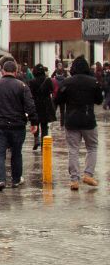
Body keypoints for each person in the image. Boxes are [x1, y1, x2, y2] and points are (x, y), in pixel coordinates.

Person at [0, 59, 38, 191]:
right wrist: (34, 122)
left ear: (2, 71)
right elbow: (30, 106)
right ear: (16, 72)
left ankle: (0, 179)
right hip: (18, 124)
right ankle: (16, 179)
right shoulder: (22, 86)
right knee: (17, 153)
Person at [53, 56, 103, 190]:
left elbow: (57, 99)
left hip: (71, 120)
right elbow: (99, 100)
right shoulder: (93, 82)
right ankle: (88, 174)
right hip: (88, 120)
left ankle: (74, 180)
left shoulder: (67, 82)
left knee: (73, 150)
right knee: (92, 147)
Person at [28, 64, 56, 151]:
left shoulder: (32, 82)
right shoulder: (48, 80)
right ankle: (44, 143)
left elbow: (30, 94)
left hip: (35, 104)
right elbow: (52, 90)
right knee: (44, 126)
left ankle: (36, 140)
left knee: (35, 123)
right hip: (46, 105)